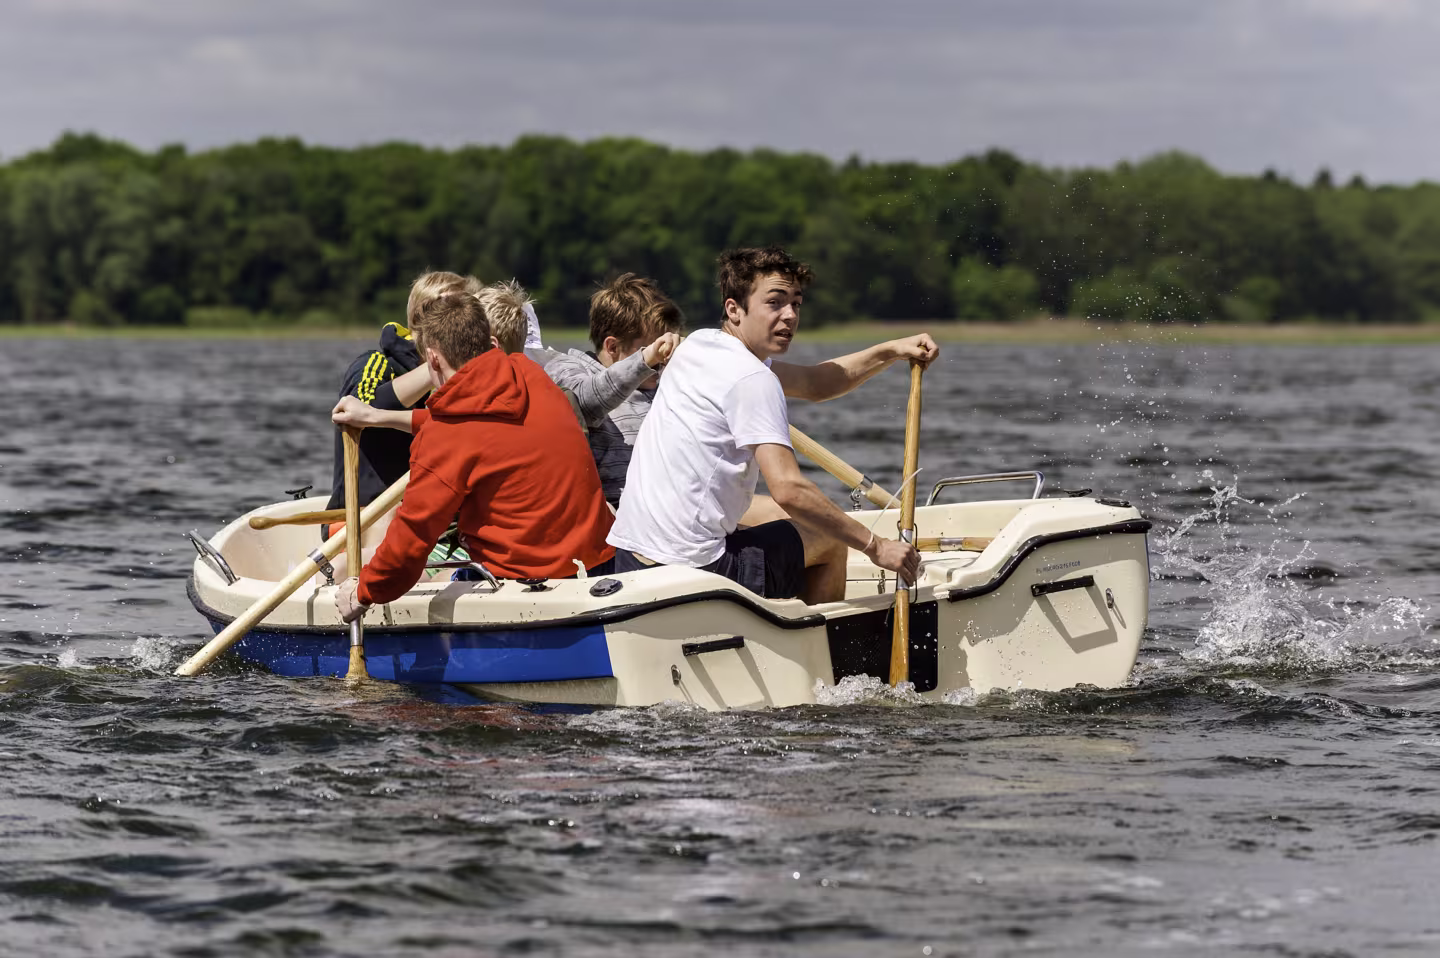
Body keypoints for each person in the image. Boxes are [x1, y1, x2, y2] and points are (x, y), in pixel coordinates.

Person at [607, 246, 938, 605]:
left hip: (628, 556)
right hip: (693, 572)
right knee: (830, 540)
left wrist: (890, 350)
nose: (790, 315)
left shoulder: (698, 345)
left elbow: (815, 384)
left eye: (796, 303)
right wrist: (876, 547)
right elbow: (789, 490)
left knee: (785, 524)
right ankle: (821, 655)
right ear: (734, 309)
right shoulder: (751, 379)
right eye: (775, 303)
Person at [336, 291, 615, 619]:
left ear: (433, 360)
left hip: (525, 587)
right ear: (488, 340)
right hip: (600, 566)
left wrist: (363, 591)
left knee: (404, 572)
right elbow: (482, 427)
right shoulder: (528, 375)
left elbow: (410, 544)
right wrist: (380, 417)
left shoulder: (446, 438)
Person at [545, 273, 683, 505]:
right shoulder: (567, 369)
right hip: (617, 516)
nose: (662, 359)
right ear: (612, 346)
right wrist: (645, 360)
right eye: (654, 349)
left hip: (676, 509)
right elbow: (584, 403)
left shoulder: (665, 382)